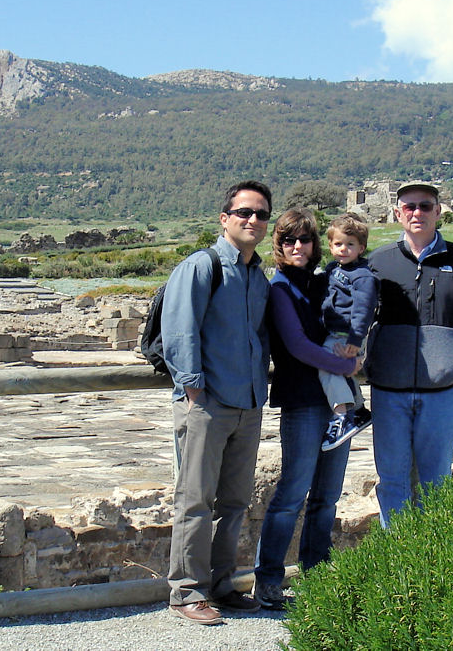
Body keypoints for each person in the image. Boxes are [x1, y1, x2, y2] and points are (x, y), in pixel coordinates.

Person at [161, 180, 272, 625]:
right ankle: (186, 592)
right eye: (245, 212)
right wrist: (191, 390)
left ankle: (222, 585)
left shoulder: (256, 275)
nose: (253, 220)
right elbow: (180, 329)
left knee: (234, 502)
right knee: (194, 500)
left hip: (247, 402)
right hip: (206, 403)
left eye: (261, 214)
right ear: (224, 218)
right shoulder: (202, 266)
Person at [365, 182, 453, 527]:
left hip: (443, 394)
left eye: (425, 206)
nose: (417, 213)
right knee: (392, 482)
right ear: (397, 213)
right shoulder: (378, 262)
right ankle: (395, 558)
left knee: (436, 485)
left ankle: (432, 561)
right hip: (389, 392)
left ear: (439, 211)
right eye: (409, 207)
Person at [253, 207, 360, 611]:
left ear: (316, 245)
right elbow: (297, 346)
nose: (297, 246)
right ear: (278, 246)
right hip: (303, 401)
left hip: (337, 403)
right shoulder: (280, 288)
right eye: (288, 240)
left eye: (305, 239)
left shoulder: (324, 282)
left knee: (328, 496)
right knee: (293, 492)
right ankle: (267, 580)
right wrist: (347, 365)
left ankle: (317, 574)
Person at [318, 213, 378, 451]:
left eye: (350, 245)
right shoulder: (333, 269)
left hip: (347, 333)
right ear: (330, 246)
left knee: (326, 364)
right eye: (338, 244)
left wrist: (355, 340)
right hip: (335, 328)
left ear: (361, 247)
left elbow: (364, 310)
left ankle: (341, 414)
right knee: (345, 372)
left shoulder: (363, 277)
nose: (343, 249)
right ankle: (360, 410)